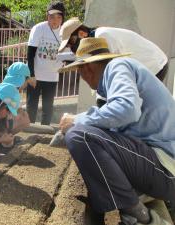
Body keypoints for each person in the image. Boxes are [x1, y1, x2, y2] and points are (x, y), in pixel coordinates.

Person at [59, 37, 175, 225]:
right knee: (82, 133)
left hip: (165, 168)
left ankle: (139, 216)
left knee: (79, 136)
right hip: (160, 166)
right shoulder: (119, 74)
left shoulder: (117, 66)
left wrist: (76, 120)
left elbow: (126, 109)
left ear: (86, 68)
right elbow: (114, 129)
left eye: (79, 71)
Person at [58, 17, 168, 81]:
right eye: (68, 46)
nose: (72, 48)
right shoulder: (96, 41)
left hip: (153, 65)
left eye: (71, 42)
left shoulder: (102, 35)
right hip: (143, 68)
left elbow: (119, 64)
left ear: (82, 33)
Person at [26, 1, 65, 125]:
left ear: (63, 18)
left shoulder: (65, 32)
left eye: (59, 17)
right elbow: (30, 53)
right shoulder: (39, 28)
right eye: (51, 16)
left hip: (52, 76)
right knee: (31, 106)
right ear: (46, 16)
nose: (55, 20)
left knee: (48, 108)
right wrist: (31, 74)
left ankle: (45, 133)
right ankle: (29, 130)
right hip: (36, 75)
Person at [2, 62, 31, 133]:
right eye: (27, 80)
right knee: (24, 117)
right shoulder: (12, 90)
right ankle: (7, 135)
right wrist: (19, 109)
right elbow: (6, 100)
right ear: (23, 79)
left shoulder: (4, 86)